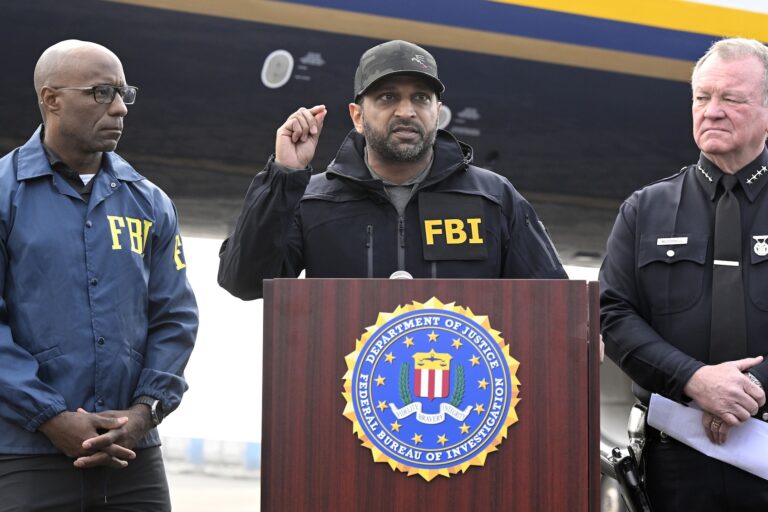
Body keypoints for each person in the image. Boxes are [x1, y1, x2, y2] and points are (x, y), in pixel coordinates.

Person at [0, 40, 198, 511]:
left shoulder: (151, 203)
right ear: (51, 99)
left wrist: (142, 415)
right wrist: (50, 417)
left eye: (123, 93)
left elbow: (175, 318)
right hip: (25, 455)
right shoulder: (5, 195)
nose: (119, 108)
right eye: (100, 92)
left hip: (132, 458)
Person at [218, 39, 566, 299]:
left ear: (437, 111)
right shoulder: (312, 202)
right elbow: (244, 282)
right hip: (347, 379)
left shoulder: (493, 199)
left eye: (420, 98)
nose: (406, 111)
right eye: (388, 97)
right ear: (357, 116)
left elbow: (554, 302)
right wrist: (284, 176)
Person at [600, 37, 768, 510]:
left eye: (731, 98)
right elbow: (613, 315)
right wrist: (694, 380)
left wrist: (751, 391)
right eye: (702, 97)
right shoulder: (645, 209)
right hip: (675, 461)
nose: (712, 111)